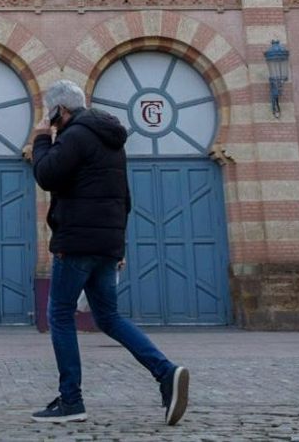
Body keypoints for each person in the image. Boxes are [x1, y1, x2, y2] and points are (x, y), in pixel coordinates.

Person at [30, 79, 189, 426]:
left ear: (61, 110)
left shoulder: (74, 136)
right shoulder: (111, 141)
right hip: (106, 244)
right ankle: (166, 372)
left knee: (59, 313)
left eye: (50, 113)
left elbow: (45, 174)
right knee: (108, 318)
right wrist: (118, 246)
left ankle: (71, 400)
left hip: (76, 244)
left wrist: (42, 137)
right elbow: (123, 196)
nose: (49, 118)